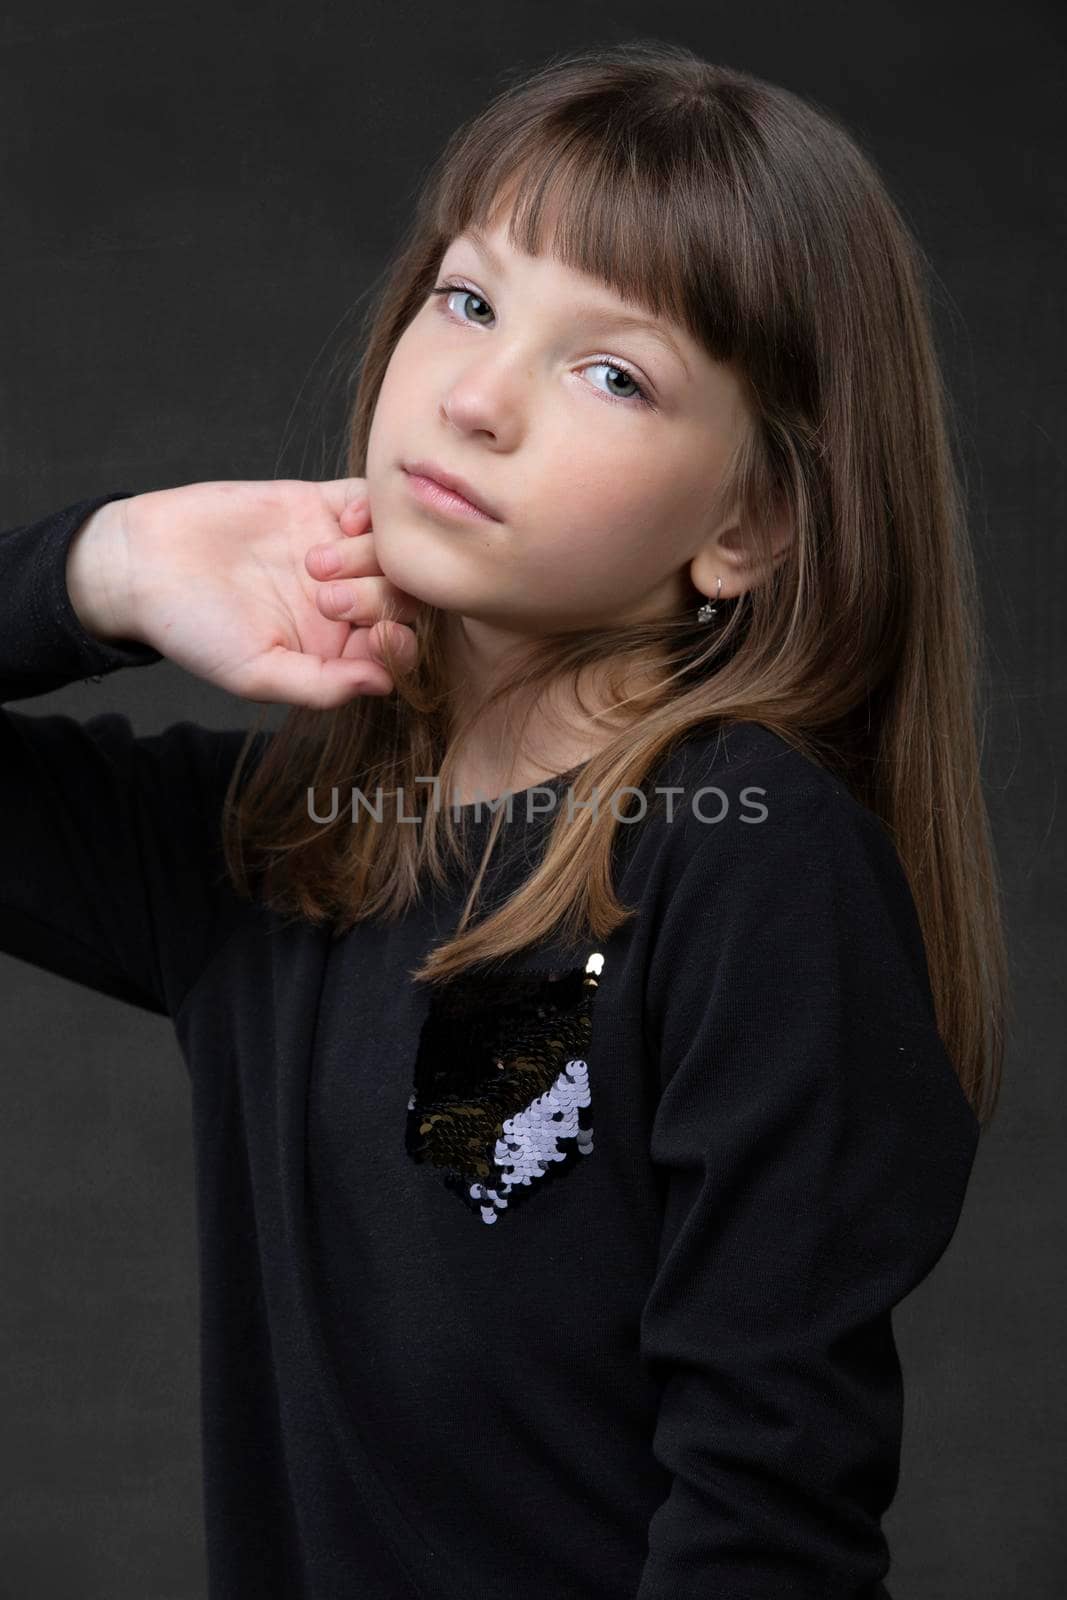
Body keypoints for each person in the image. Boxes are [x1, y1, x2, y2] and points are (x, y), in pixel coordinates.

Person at [0, 39, 1007, 1600]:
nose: (476, 399)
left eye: (611, 372)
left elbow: (768, 1523)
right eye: (469, 300)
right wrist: (98, 571)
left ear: (749, 525)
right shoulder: (287, 850)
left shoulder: (746, 861)